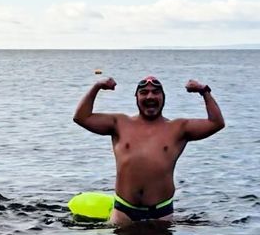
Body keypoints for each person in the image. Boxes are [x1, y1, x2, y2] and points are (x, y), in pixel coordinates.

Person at [73, 75, 224, 225]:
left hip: (161, 214)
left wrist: (204, 91)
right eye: (144, 92)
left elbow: (216, 123)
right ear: (136, 97)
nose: (150, 96)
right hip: (123, 211)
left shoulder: (178, 128)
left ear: (163, 97)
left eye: (155, 92)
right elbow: (81, 117)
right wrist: (97, 86)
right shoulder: (119, 123)